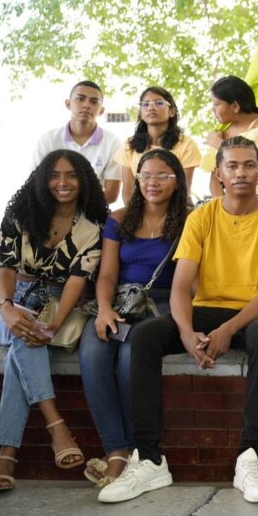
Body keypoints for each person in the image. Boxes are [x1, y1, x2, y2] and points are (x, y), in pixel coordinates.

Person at [99, 136, 258, 504]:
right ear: (218, 173)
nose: (240, 173)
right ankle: (151, 458)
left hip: (252, 313)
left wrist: (226, 331)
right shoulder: (201, 217)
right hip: (206, 308)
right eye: (231, 166)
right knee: (145, 337)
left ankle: (250, 458)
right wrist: (187, 333)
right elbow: (182, 286)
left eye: (248, 165)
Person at [0, 150, 108, 493]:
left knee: (26, 338)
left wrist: (51, 326)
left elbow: (76, 282)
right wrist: (8, 309)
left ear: (83, 180)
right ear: (42, 179)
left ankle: (6, 453)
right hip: (4, 302)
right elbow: (5, 269)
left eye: (71, 175)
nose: (63, 183)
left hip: (54, 303)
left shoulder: (92, 226)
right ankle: (56, 427)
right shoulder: (20, 215)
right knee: (23, 328)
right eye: (54, 175)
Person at [79, 150, 191, 487]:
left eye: (162, 176)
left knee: (131, 356)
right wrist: (103, 308)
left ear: (177, 181)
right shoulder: (119, 218)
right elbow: (107, 275)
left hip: (163, 304)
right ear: (136, 178)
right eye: (145, 175)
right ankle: (116, 450)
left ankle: (140, 451)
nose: (152, 183)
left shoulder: (190, 219)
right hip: (120, 302)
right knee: (93, 352)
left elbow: (192, 279)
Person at [200, 76, 258, 214]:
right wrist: (224, 213)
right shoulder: (223, 132)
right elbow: (214, 179)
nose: (213, 109)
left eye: (216, 104)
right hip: (231, 206)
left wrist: (217, 143)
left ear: (235, 106)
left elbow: (247, 154)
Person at [33, 80, 122, 204]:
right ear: (68, 104)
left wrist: (75, 211)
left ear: (101, 110)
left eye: (94, 102)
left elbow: (111, 194)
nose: (86, 105)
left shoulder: (113, 143)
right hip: (51, 210)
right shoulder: (48, 139)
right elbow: (36, 183)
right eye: (80, 99)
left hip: (91, 212)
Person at [116, 86, 202, 199]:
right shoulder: (129, 145)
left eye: (159, 103)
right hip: (137, 210)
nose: (151, 108)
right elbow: (128, 192)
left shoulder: (187, 144)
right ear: (141, 113)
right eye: (145, 104)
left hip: (176, 209)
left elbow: (183, 190)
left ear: (172, 112)